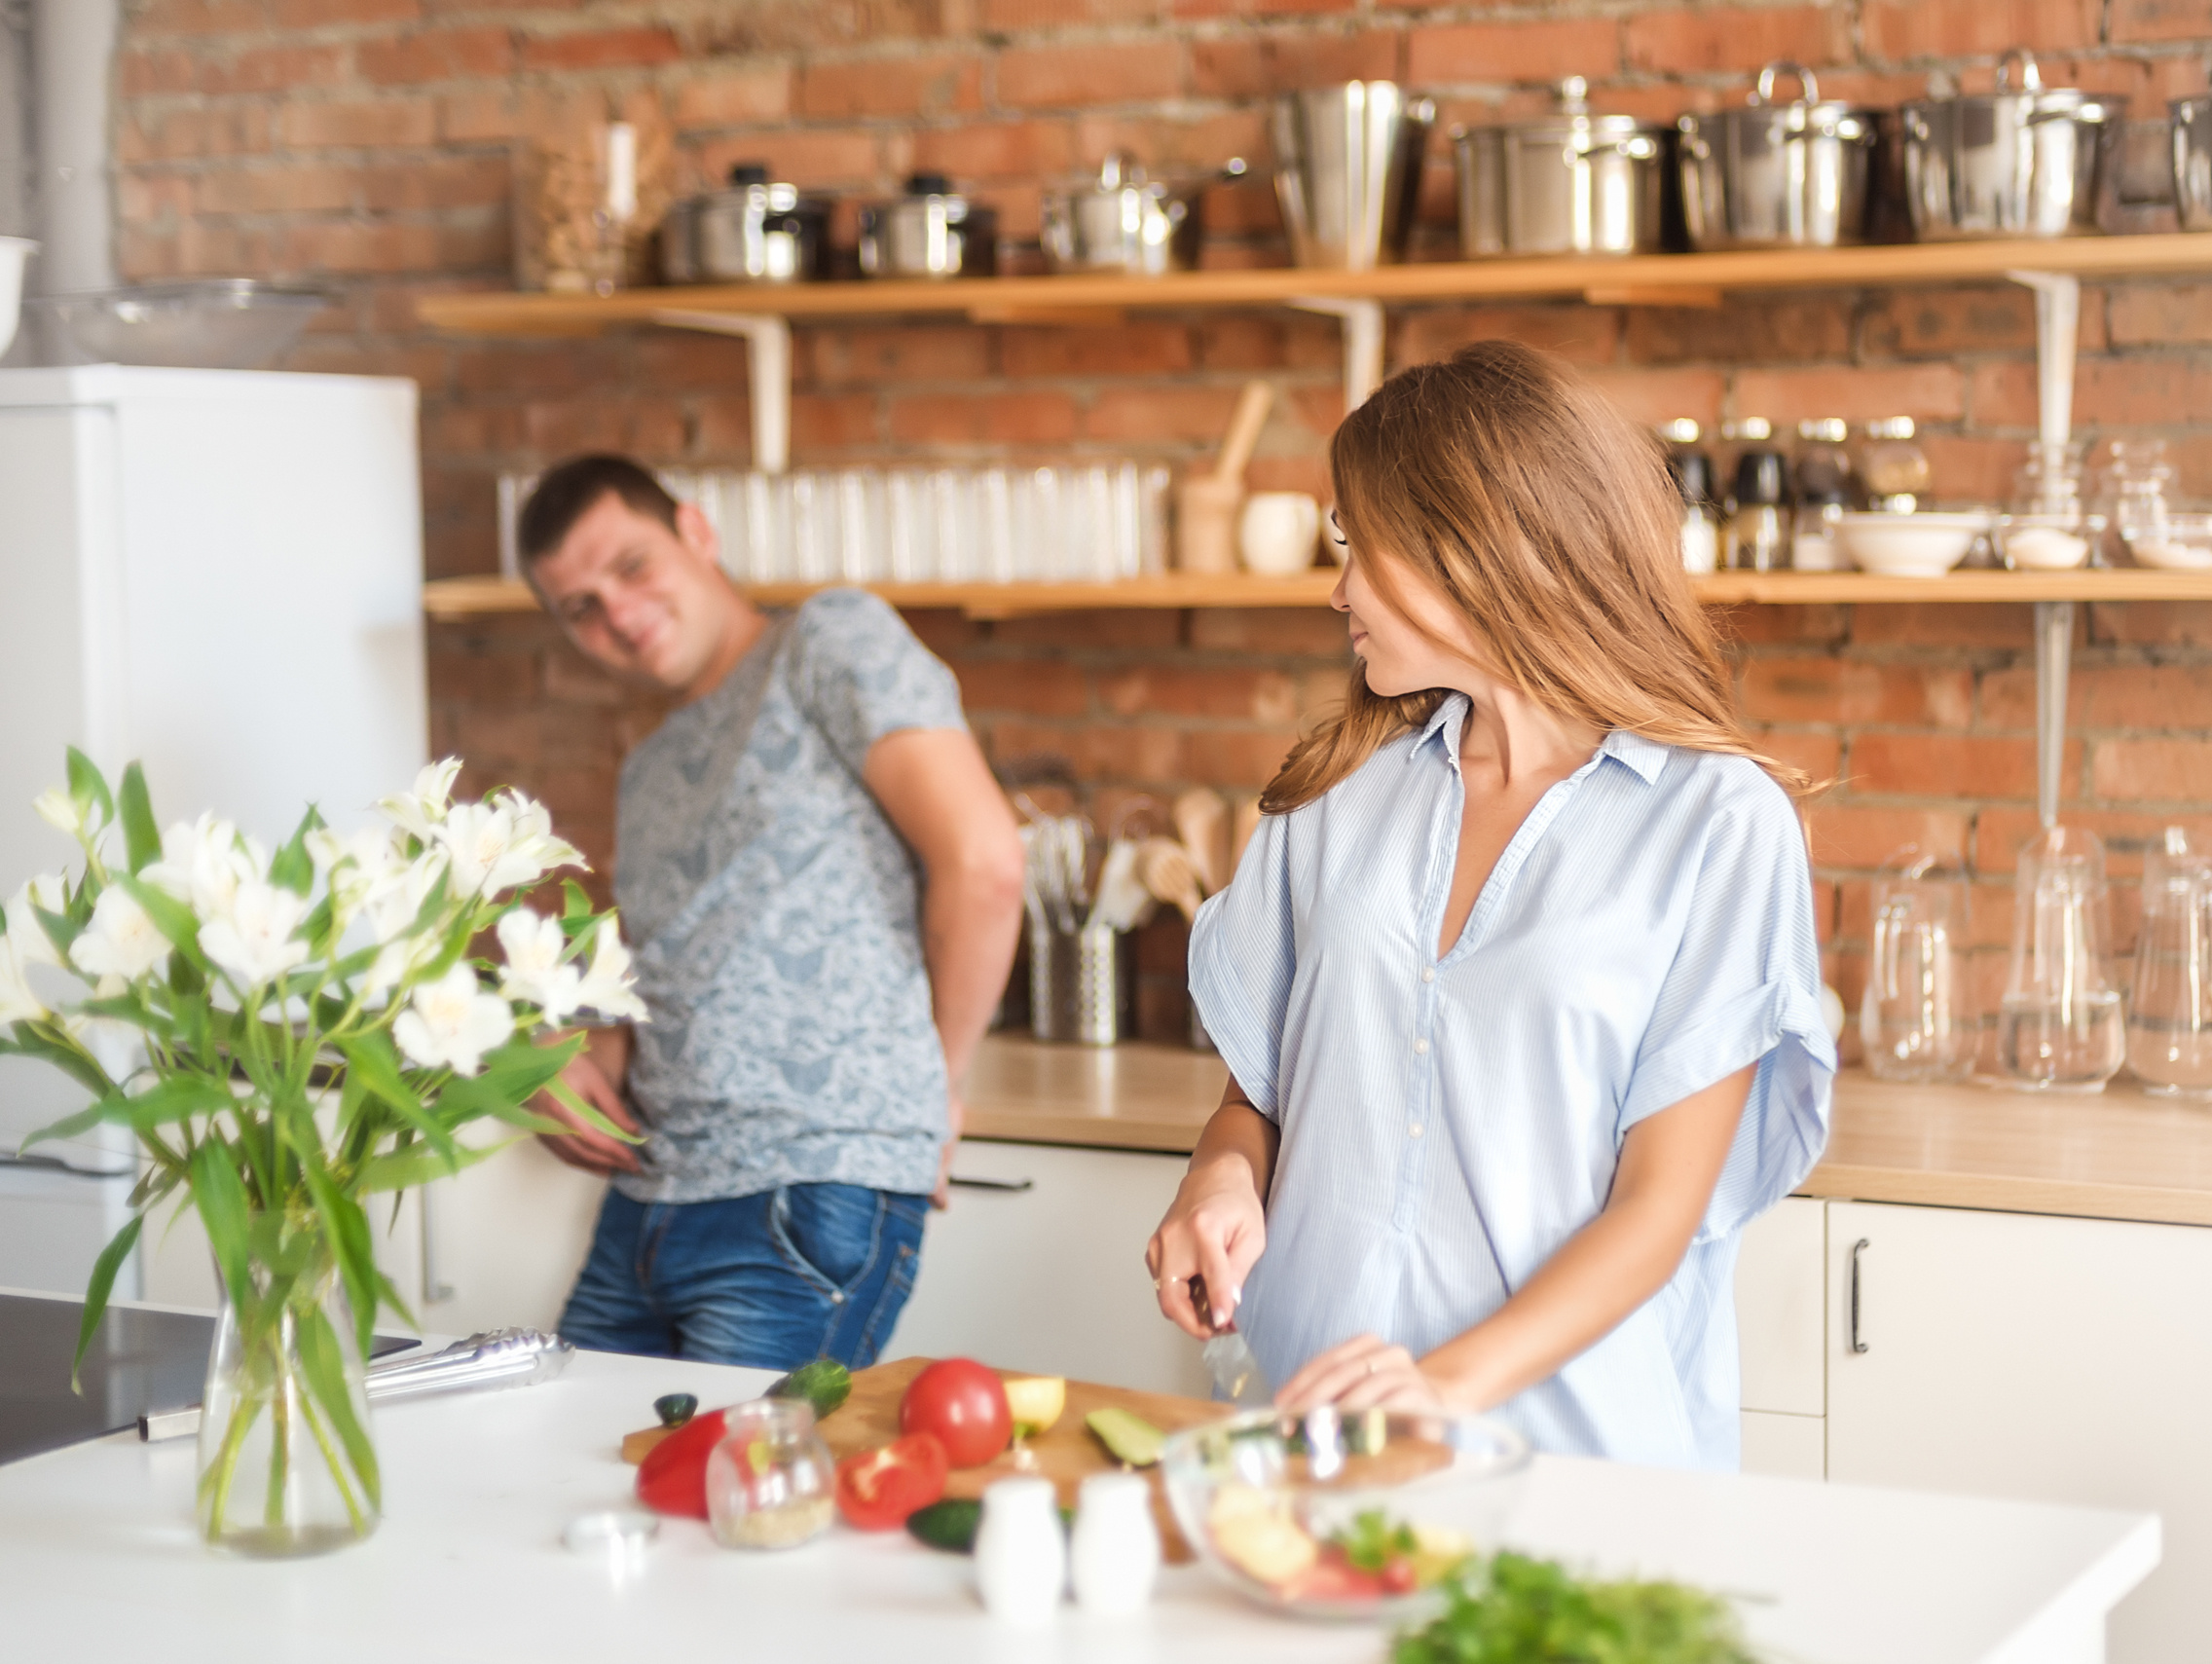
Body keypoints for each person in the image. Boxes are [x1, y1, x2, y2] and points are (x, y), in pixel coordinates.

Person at [1145, 343, 1833, 1468]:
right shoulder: (1333, 795)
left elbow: (1654, 1214)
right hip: (1317, 1438)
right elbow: (1255, 1096)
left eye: (1357, 547)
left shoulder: (1716, 823)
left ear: (1470, 550)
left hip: (1577, 1455)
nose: (1337, 590)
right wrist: (1219, 1175)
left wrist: (1436, 1386)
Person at [516, 455, 1024, 1373]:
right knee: (574, 1488)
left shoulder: (829, 638)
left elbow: (984, 863)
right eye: (579, 607)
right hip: (646, 1201)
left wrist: (931, 1087)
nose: (618, 615)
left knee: (738, 1500)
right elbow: (656, 976)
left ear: (698, 533)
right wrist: (569, 1061)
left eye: (631, 566)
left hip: (801, 1193)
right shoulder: (650, 767)